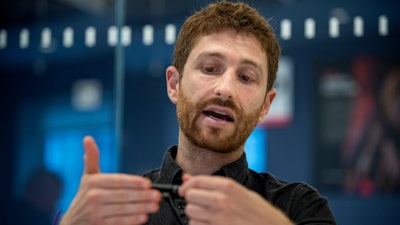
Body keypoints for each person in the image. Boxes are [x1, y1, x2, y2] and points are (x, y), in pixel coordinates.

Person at [59, 1, 336, 225]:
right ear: (174, 85)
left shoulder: (299, 208)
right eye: (210, 69)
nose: (225, 89)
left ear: (266, 105)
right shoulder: (117, 212)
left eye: (246, 77)